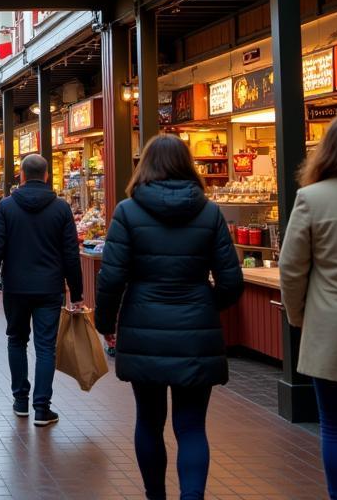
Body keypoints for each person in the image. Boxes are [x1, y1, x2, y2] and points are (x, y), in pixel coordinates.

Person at [95, 134, 243, 500]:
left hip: (143, 328)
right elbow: (231, 281)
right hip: (196, 330)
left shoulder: (128, 212)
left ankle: (155, 495)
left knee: (148, 419)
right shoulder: (209, 212)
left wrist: (105, 322)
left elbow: (112, 277)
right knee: (192, 426)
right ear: (187, 165)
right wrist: (206, 305)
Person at [0, 153, 82, 426]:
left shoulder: (6, 208)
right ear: (47, 176)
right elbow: (71, 254)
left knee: (16, 340)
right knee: (45, 347)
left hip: (15, 287)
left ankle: (20, 401)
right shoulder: (61, 208)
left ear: (22, 176)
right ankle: (42, 407)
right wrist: (78, 292)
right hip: (50, 288)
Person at [280, 113, 337, 500]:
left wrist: (299, 316)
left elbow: (291, 269)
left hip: (329, 331)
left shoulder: (312, 198)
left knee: (336, 426)